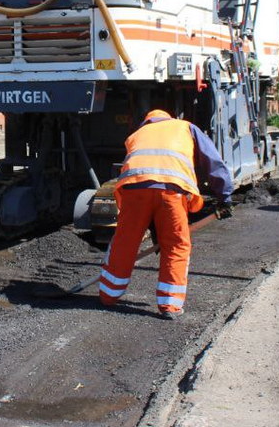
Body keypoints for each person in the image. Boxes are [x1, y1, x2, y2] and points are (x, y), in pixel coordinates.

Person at [98, 109, 233, 319]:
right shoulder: (186, 127)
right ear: (169, 119)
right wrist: (225, 196)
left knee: (125, 242)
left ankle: (108, 295)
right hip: (172, 192)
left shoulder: (136, 134)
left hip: (134, 191)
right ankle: (170, 305)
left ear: (148, 121)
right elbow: (213, 162)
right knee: (176, 245)